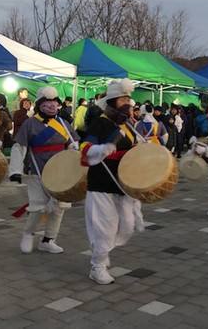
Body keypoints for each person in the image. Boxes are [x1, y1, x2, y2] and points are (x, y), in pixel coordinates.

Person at [80, 78, 144, 285]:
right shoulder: (101, 122)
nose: (128, 103)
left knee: (126, 225)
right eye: (124, 99)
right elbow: (85, 148)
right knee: (105, 227)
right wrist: (102, 149)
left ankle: (101, 247)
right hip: (101, 182)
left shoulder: (128, 125)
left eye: (129, 99)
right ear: (113, 102)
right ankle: (97, 265)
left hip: (123, 183)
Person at [8, 86, 80, 255]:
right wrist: (15, 170)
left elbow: (71, 143)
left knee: (59, 206)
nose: (51, 106)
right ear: (40, 104)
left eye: (54, 102)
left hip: (59, 171)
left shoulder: (63, 122)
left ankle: (49, 240)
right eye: (47, 102)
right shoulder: (30, 123)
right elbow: (19, 147)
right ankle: (28, 233)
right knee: (37, 206)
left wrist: (74, 151)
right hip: (37, 168)